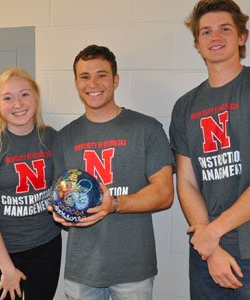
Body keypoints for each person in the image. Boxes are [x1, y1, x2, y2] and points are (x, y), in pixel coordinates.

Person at [169, 0, 250, 299]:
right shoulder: (185, 106)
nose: (215, 37)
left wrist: (212, 232)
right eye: (206, 32)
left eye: (225, 29)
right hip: (206, 253)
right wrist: (210, 243)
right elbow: (186, 182)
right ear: (198, 44)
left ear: (242, 36)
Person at [49, 45, 174, 300]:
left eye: (101, 75)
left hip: (133, 270)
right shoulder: (64, 138)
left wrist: (113, 204)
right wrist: (60, 212)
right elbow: (58, 195)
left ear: (116, 80)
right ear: (76, 83)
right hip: (82, 270)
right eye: (84, 76)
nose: (93, 83)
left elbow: (164, 194)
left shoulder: (146, 129)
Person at [0, 67, 62, 300]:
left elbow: (63, 187)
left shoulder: (51, 138)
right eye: (7, 98)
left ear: (36, 97)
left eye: (24, 94)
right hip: (4, 251)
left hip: (46, 246)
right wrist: (7, 268)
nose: (17, 104)